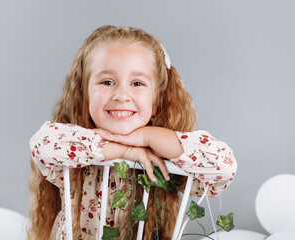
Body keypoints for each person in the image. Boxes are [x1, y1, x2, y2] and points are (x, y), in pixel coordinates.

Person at [28, 25, 237, 240]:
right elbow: (41, 144)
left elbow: (223, 167)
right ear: (84, 96)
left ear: (157, 101)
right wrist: (127, 151)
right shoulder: (75, 148)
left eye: (137, 83)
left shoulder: (162, 158)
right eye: (107, 82)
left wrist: (147, 137)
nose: (121, 95)